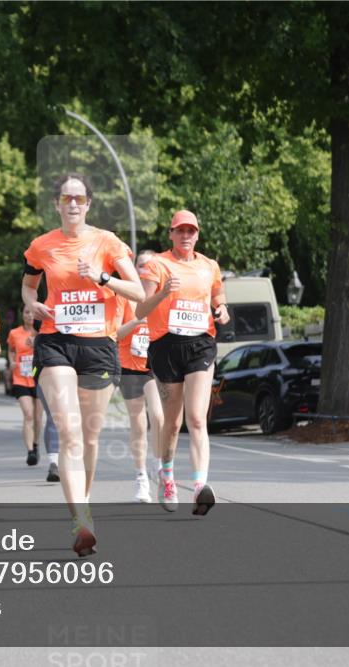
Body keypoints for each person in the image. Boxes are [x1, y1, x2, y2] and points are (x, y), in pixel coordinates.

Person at [21, 173, 144, 557]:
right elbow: (28, 285)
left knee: (89, 438)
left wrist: (103, 278)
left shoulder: (107, 242)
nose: (72, 203)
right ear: (56, 204)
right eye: (66, 198)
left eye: (79, 198)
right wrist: (32, 304)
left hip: (98, 347)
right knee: (70, 433)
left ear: (88, 204)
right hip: (55, 342)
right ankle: (81, 521)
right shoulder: (42, 245)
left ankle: (84, 502)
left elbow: (139, 291)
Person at [136, 210, 229, 516]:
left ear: (197, 235)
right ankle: (166, 476)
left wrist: (222, 309)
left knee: (198, 419)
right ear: (171, 234)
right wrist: (164, 292)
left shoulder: (209, 266)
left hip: (201, 343)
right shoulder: (157, 264)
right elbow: (140, 310)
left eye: (191, 231)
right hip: (166, 346)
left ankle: (200, 487)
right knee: (172, 423)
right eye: (180, 231)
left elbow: (218, 296)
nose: (186, 236)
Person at [116, 250, 165, 503]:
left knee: (158, 416)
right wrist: (136, 321)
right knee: (138, 423)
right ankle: (141, 477)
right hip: (130, 366)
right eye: (142, 266)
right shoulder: (125, 296)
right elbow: (114, 334)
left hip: (155, 365)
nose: (146, 270)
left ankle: (159, 466)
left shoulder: (162, 296)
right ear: (135, 270)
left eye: (151, 265)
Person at [7, 304, 43, 466]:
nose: (29, 316)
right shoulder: (14, 333)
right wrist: (12, 361)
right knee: (28, 414)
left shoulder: (43, 332)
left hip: (39, 378)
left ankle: (35, 444)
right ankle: (30, 452)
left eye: (32, 313)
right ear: (22, 314)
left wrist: (37, 343)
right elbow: (11, 350)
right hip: (21, 378)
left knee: (38, 417)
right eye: (27, 312)